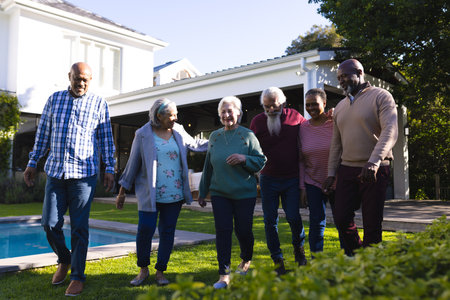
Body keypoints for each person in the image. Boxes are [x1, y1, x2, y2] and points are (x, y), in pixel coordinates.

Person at [23, 62, 116, 296]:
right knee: (49, 223)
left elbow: (105, 139)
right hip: (55, 172)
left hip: (84, 176)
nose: (81, 83)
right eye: (77, 78)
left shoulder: (99, 103)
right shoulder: (54, 100)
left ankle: (77, 276)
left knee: (79, 228)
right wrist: (33, 162)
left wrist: (110, 168)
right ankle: (64, 259)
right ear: (69, 76)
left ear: (91, 80)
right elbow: (43, 134)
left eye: (86, 79)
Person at [116, 98, 208, 286]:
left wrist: (219, 138)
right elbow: (133, 163)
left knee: (167, 232)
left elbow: (196, 145)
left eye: (176, 114)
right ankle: (143, 269)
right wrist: (122, 191)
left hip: (174, 194)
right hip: (150, 194)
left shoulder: (178, 130)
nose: (175, 118)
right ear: (159, 116)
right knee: (145, 230)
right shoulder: (143, 134)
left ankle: (160, 271)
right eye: (171, 115)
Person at [322, 59, 398, 256]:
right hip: (347, 168)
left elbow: (390, 131)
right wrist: (331, 173)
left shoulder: (381, 96)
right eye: (339, 78)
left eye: (345, 76)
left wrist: (374, 161)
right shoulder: (340, 106)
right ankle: (356, 255)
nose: (341, 81)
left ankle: (370, 265)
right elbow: (336, 143)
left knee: (372, 221)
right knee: (340, 217)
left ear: (359, 72)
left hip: (375, 168)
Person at [198, 96, 266, 289]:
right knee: (223, 232)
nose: (227, 115)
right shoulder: (214, 136)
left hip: (245, 193)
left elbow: (261, 160)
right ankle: (224, 275)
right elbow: (208, 166)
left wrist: (244, 158)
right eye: (223, 112)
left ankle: (246, 259)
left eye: (230, 111)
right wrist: (203, 192)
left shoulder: (248, 135)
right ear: (220, 116)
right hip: (220, 193)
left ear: (238, 113)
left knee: (243, 231)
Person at [250, 87, 307, 275]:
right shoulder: (257, 122)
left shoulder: (295, 116)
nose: (270, 110)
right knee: (269, 221)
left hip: (291, 178)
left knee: (293, 217)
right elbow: (248, 148)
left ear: (282, 103)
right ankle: (277, 259)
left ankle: (299, 252)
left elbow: (311, 129)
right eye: (266, 107)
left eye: (273, 106)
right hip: (268, 179)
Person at [299, 88, 335, 256]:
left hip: (336, 179)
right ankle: (316, 259)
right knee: (316, 222)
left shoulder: (335, 121)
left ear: (325, 103)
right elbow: (301, 159)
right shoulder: (303, 128)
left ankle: (349, 258)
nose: (311, 108)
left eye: (315, 104)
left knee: (343, 221)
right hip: (312, 181)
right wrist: (303, 187)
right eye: (308, 105)